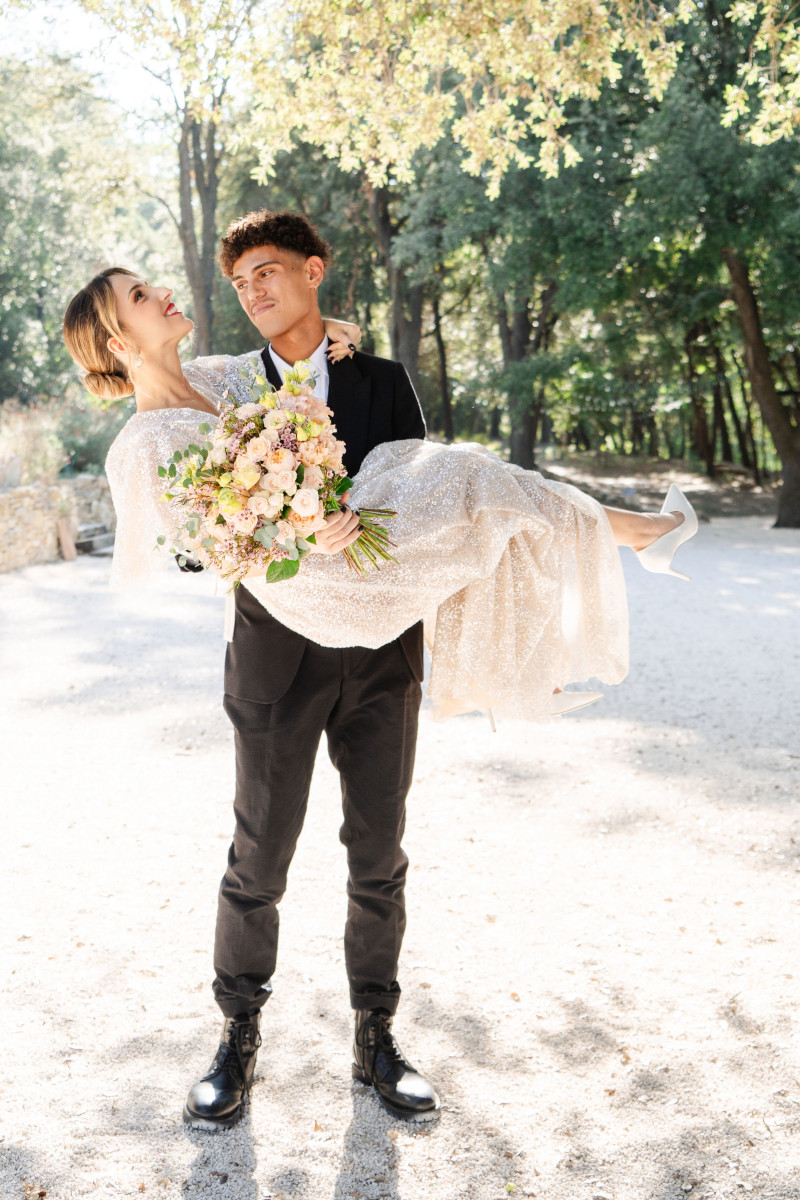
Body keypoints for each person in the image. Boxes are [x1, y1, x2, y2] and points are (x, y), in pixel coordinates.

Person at [63, 211, 697, 1130]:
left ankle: (377, 1039)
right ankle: (236, 1040)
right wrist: (293, 529)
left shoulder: (227, 376)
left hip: (380, 647)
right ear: (120, 338)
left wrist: (336, 338)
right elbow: (204, 548)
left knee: (379, 854)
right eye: (139, 294)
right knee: (258, 859)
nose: (165, 291)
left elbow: (320, 386)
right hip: (279, 655)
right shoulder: (147, 442)